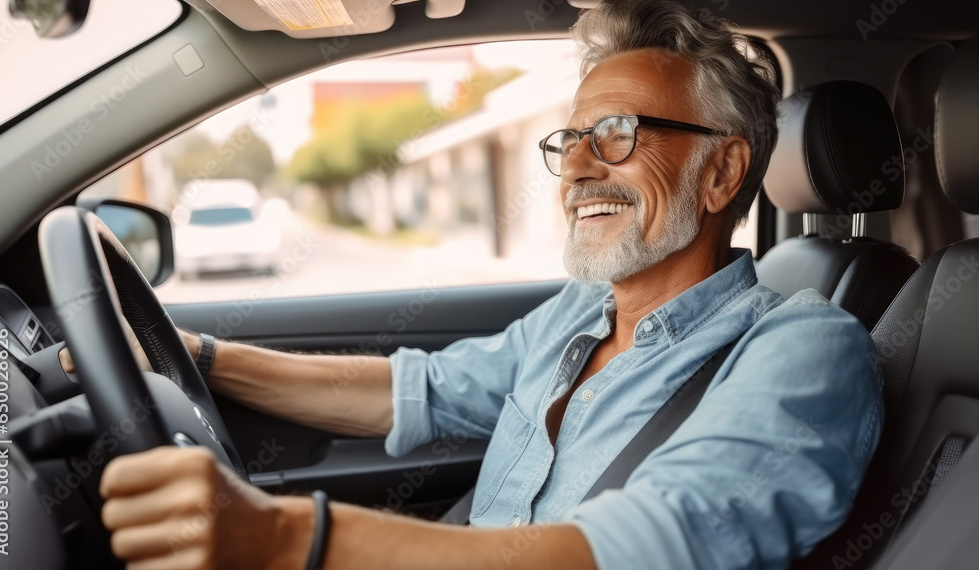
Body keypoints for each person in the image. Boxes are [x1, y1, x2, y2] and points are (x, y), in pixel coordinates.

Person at [89, 1, 883, 568]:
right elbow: (418, 391)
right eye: (572, 138)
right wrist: (193, 355)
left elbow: (654, 546)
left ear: (721, 172)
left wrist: (292, 540)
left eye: (615, 134)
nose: (575, 165)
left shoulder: (805, 347)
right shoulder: (582, 313)